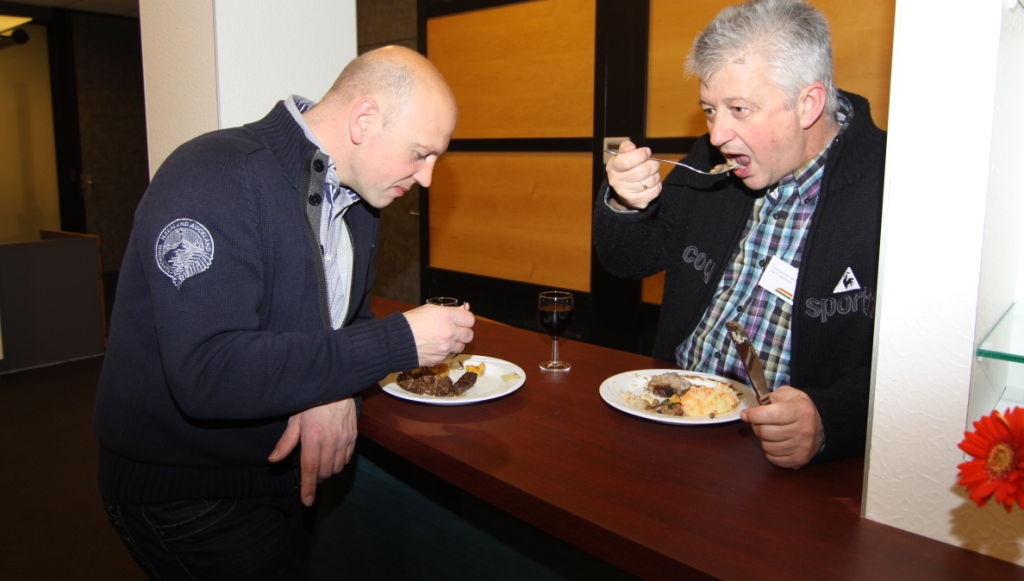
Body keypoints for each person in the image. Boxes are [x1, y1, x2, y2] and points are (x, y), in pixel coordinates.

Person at [94, 45, 473, 578]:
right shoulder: (212, 174)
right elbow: (208, 372)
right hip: (188, 490)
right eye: (420, 153)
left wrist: (334, 390)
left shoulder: (360, 202)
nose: (427, 178)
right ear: (364, 119)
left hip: (279, 479)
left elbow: (345, 326)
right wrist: (399, 342)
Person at [593, 0, 886, 469]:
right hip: (674, 417)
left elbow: (921, 370)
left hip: (783, 462)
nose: (717, 134)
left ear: (808, 105)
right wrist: (625, 203)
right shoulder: (712, 162)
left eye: (739, 109)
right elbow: (628, 260)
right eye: (710, 110)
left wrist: (830, 418)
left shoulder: (891, 189)